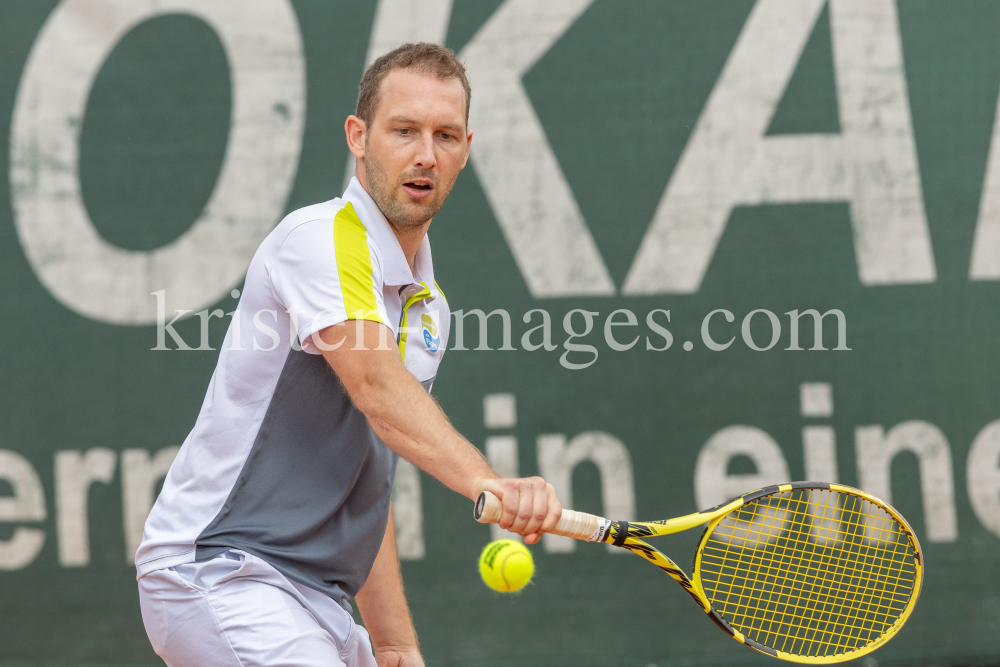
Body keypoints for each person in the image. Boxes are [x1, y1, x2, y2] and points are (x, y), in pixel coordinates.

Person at [135, 43, 562, 667]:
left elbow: (363, 479)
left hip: (318, 600)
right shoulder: (317, 240)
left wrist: (393, 642)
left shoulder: (427, 308)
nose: (424, 155)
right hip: (222, 570)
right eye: (404, 131)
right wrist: (488, 483)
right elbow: (379, 393)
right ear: (358, 137)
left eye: (445, 135)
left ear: (465, 150)